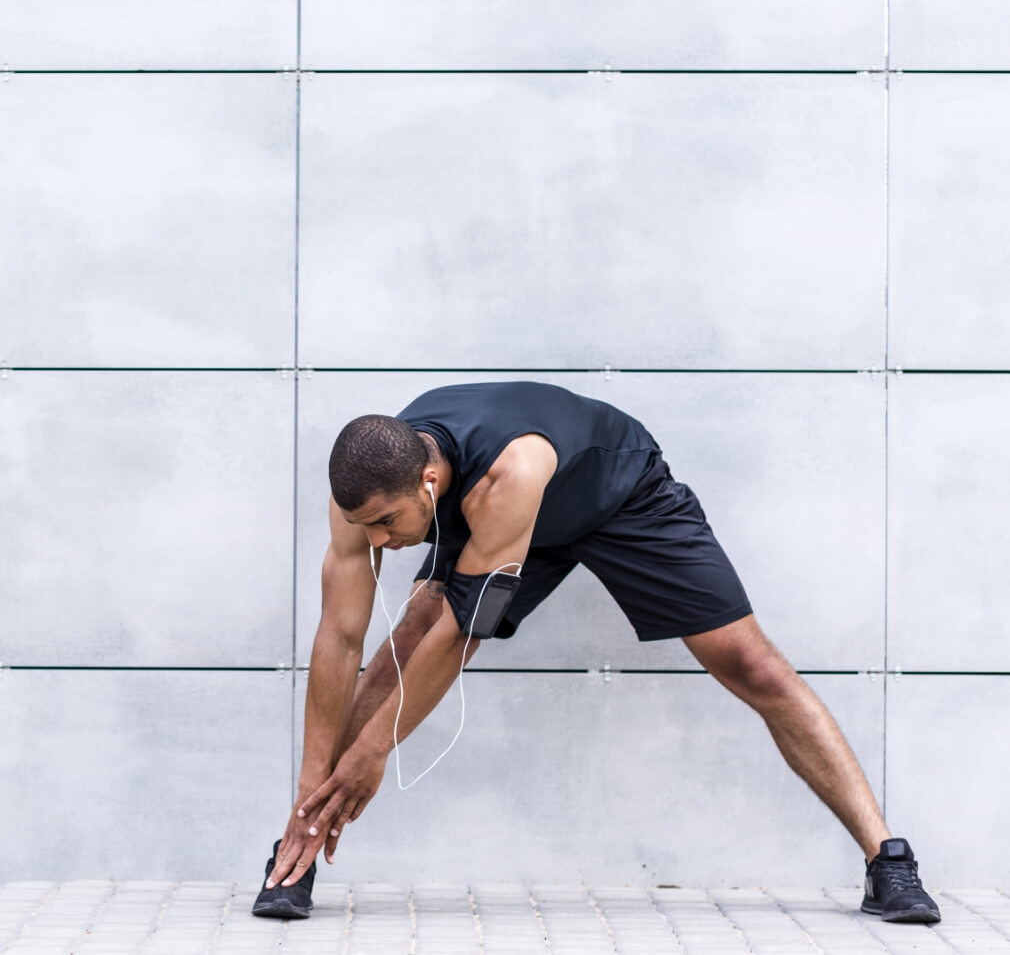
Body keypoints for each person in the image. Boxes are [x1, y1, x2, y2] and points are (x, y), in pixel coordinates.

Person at [251, 381, 939, 925]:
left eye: (387, 526)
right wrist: (312, 794)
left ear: (428, 484)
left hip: (617, 495)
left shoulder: (505, 473)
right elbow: (339, 642)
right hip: (498, 523)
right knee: (402, 641)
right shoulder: (365, 489)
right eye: (364, 525)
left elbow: (463, 635)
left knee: (753, 666)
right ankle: (297, 853)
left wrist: (374, 753)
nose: (377, 542)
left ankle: (888, 860)